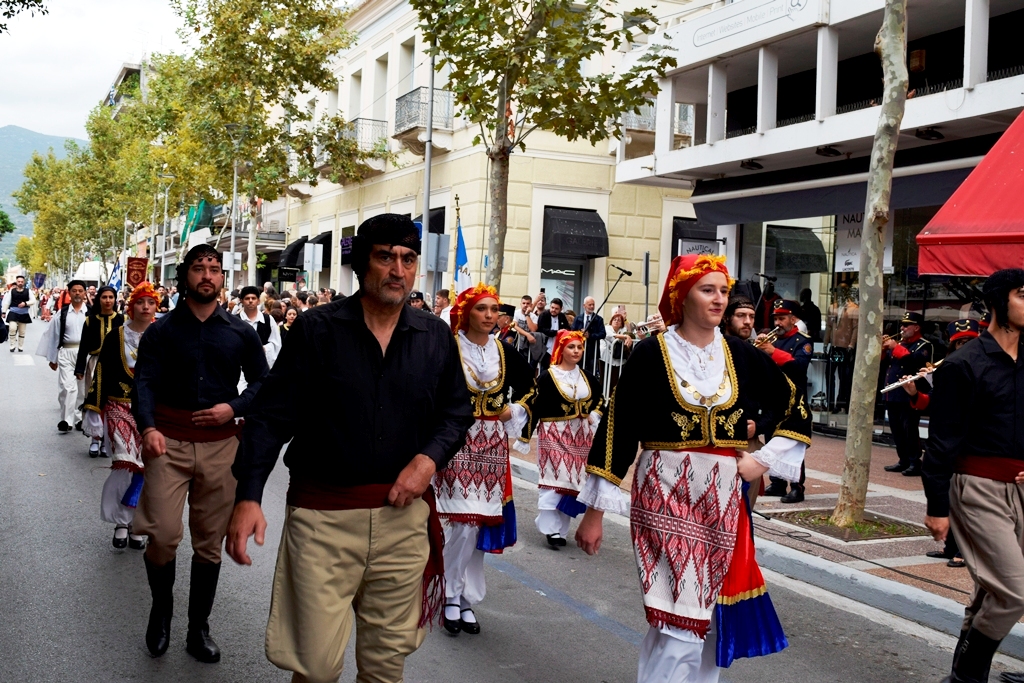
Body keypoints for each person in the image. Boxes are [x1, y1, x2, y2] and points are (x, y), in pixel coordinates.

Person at [227, 214, 473, 682]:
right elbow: (270, 417)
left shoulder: (434, 335)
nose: (398, 270)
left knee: (385, 667)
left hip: (403, 523)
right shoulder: (316, 330)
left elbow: (455, 413)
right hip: (324, 518)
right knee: (316, 667)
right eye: (385, 258)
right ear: (363, 264)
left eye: (408, 259)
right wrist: (249, 496)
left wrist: (427, 459)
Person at [575, 254, 811, 682]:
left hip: (724, 499)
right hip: (664, 491)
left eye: (724, 290)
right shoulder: (651, 352)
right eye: (708, 290)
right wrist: (594, 513)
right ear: (682, 296)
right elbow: (619, 427)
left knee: (707, 619)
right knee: (679, 617)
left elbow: (795, 402)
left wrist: (763, 459)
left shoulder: (739, 353)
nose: (719, 299)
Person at [131, 245, 269, 663]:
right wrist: (149, 427)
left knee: (209, 545)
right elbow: (144, 384)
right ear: (184, 276)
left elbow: (264, 384)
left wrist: (236, 406)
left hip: (222, 446)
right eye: (198, 268)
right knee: (164, 536)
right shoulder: (161, 331)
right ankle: (160, 612)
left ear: (222, 278)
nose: (207, 275)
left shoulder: (241, 332)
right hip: (167, 444)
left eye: (214, 269)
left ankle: (198, 628)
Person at [923, 270, 1024, 683]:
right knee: (1015, 591)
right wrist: (936, 506)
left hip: (1020, 489)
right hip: (977, 487)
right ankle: (968, 675)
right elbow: (942, 441)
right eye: (1023, 294)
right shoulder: (964, 364)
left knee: (991, 591)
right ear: (999, 302)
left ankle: (962, 674)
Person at [434, 283, 536, 636]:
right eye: (482, 309)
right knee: (461, 522)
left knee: (477, 523)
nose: (490, 315)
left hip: (492, 444)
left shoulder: (505, 353)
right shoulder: (448, 348)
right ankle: (449, 594)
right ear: (466, 313)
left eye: (494, 310)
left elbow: (532, 389)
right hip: (455, 440)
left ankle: (462, 596)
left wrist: (516, 410)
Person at [83, 282, 159, 549]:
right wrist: (93, 409)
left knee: (148, 468)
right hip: (119, 407)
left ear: (156, 306)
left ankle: (137, 523)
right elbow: (101, 373)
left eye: (151, 302)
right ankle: (120, 521)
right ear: (132, 305)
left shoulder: (163, 335)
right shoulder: (115, 336)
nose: (146, 307)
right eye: (141, 302)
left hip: (153, 411)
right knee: (125, 463)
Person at [909, 319, 979, 571]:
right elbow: (936, 407)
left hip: (969, 444)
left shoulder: (979, 368)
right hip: (946, 442)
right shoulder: (949, 368)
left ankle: (963, 549)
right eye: (959, 343)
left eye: (968, 342)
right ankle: (950, 545)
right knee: (948, 494)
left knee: (966, 501)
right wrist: (915, 391)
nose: (964, 347)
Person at [526, 329, 603, 548]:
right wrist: (525, 435)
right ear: (561, 349)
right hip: (553, 433)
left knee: (573, 481)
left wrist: (594, 415)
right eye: (571, 346)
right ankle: (551, 530)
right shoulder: (548, 377)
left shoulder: (588, 377)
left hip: (581, 437)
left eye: (579, 347)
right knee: (554, 479)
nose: (576, 350)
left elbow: (600, 400)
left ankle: (561, 530)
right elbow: (534, 405)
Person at [758, 299, 813, 503]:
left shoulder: (803, 341)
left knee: (793, 443)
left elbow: (799, 366)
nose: (778, 323)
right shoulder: (773, 340)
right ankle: (778, 482)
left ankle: (797, 486)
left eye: (782, 318)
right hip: (773, 398)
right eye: (776, 319)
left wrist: (773, 352)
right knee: (772, 440)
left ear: (793, 319)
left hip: (794, 402)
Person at [75, 285, 125, 457]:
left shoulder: (122, 320)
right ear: (99, 299)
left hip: (117, 365)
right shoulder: (90, 321)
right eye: (104, 297)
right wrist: (80, 368)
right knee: (94, 401)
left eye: (111, 297)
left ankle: (106, 440)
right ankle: (94, 439)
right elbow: (83, 347)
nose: (108, 301)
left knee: (111, 403)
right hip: (95, 364)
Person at [882, 311, 933, 477]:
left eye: (906, 325)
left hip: (910, 394)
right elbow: (886, 364)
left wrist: (895, 347)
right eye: (902, 325)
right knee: (896, 429)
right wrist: (882, 350)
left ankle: (914, 462)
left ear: (916, 327)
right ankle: (903, 460)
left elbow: (915, 363)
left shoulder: (924, 345)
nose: (902, 328)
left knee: (909, 429)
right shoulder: (900, 343)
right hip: (893, 392)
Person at [37, 280, 89, 433]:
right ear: (69, 293)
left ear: (85, 293)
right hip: (67, 352)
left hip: (85, 354)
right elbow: (53, 334)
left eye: (80, 290)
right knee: (67, 387)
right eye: (74, 290)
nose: (78, 293)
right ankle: (66, 420)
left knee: (83, 388)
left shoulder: (90, 312)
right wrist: (53, 358)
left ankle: (80, 418)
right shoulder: (63, 312)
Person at [238, 285, 282, 368]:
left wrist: (264, 348)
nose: (250, 301)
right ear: (242, 301)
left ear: (258, 301)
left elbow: (277, 343)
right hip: (240, 371)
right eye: (247, 298)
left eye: (253, 298)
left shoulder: (268, 320)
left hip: (262, 368)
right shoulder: (235, 320)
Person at [571, 296, 606, 377]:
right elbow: (572, 332)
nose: (592, 307)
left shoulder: (598, 319)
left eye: (593, 305)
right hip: (579, 350)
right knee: (577, 372)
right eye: (590, 305)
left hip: (592, 351)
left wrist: (590, 335)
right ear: (584, 306)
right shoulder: (578, 318)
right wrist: (579, 333)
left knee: (591, 374)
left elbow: (602, 334)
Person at [600, 312, 633, 391]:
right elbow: (609, 335)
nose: (616, 321)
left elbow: (630, 334)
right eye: (614, 319)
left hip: (619, 360)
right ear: (611, 321)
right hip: (606, 358)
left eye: (619, 320)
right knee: (605, 378)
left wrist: (627, 336)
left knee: (616, 379)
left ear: (621, 323)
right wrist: (625, 337)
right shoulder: (607, 328)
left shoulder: (623, 330)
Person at [3, 274, 35, 352]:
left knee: (22, 331)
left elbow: (33, 300)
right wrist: (4, 311)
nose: (20, 283)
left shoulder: (28, 291)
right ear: (16, 282)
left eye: (21, 281)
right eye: (18, 281)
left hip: (24, 313)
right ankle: (12, 345)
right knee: (12, 328)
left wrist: (25, 303)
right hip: (13, 312)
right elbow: (7, 302)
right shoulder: (12, 291)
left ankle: (20, 346)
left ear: (24, 282)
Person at [537, 297, 570, 371]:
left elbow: (567, 328)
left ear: (561, 309)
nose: (553, 310)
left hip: (558, 347)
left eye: (556, 308)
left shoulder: (562, 316)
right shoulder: (544, 315)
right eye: (552, 307)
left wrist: (564, 331)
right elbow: (541, 329)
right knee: (545, 369)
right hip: (546, 347)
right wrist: (556, 332)